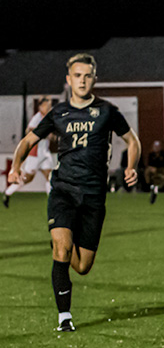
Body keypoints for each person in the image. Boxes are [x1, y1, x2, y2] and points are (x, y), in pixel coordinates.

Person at [6, 53, 140, 333]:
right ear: (69, 80)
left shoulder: (107, 111)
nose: (82, 80)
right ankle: (64, 318)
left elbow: (132, 140)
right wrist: (15, 166)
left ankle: (62, 245)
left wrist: (131, 166)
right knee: (62, 248)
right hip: (63, 190)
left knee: (82, 266)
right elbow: (28, 140)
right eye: (77, 75)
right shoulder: (58, 113)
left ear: (94, 79)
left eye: (87, 75)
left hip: (93, 197)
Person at [4, 97, 54, 207]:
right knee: (27, 179)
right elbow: (29, 130)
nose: (48, 107)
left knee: (50, 176)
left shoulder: (48, 117)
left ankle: (52, 201)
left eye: (49, 105)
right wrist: (43, 133)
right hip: (35, 154)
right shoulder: (37, 117)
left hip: (45, 152)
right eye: (46, 105)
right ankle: (8, 193)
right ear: (41, 106)